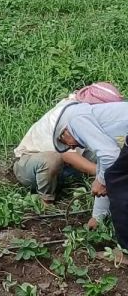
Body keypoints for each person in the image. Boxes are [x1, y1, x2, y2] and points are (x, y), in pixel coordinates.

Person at [14, 83, 122, 224]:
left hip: (64, 168)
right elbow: (66, 154)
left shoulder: (85, 113)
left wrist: (106, 176)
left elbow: (108, 153)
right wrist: (105, 176)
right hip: (32, 166)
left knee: (108, 157)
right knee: (52, 159)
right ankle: (46, 201)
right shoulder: (67, 116)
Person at [54, 93, 128, 230]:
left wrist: (101, 181)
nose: (71, 147)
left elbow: (110, 157)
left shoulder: (76, 121)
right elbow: (107, 166)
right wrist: (97, 217)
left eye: (65, 143)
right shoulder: (88, 122)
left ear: (65, 132)